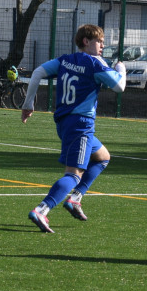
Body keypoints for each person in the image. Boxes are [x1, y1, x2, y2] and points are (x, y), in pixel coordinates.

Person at [21, 24, 126, 233]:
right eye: (99, 41)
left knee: (103, 157)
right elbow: (119, 87)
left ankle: (75, 198)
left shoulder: (65, 60)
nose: (103, 46)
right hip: (81, 125)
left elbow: (37, 73)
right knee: (73, 174)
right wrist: (121, 69)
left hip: (64, 123)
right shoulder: (94, 64)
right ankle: (42, 209)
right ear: (86, 41)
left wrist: (27, 105)